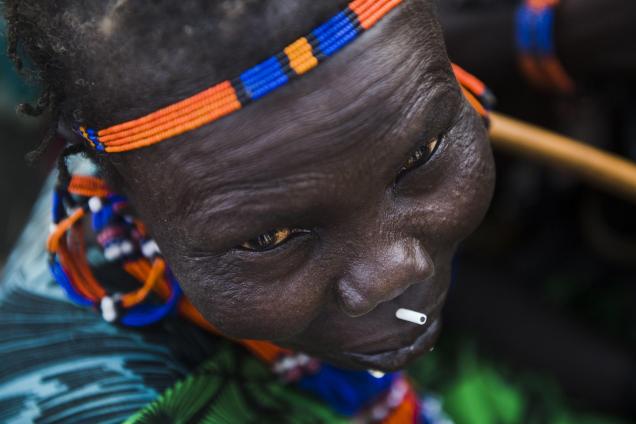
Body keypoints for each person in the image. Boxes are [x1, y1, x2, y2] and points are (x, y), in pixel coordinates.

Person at [0, 0, 494, 421]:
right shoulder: (121, 407)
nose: (394, 272)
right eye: (270, 239)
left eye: (421, 155)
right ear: (116, 194)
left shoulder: (195, 188)